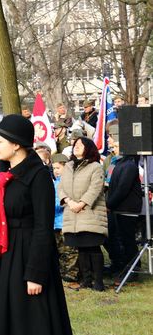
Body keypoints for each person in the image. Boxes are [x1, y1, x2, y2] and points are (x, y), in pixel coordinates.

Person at [0, 114, 72, 335]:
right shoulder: (1, 173)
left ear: (17, 144)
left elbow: (42, 228)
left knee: (29, 320)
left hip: (25, 255)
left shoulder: (38, 176)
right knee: (2, 316)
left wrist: (36, 273)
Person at [58, 136, 107, 291]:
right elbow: (61, 187)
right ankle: (86, 280)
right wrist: (68, 201)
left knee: (93, 247)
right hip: (72, 213)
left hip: (89, 212)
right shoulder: (68, 166)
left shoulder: (95, 167)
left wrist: (81, 203)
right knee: (81, 248)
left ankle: (98, 281)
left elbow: (95, 188)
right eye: (75, 144)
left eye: (80, 144)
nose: (76, 146)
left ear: (89, 148)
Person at [105, 124, 142, 284]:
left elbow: (122, 189)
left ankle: (133, 269)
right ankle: (121, 266)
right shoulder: (118, 162)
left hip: (127, 208)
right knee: (118, 238)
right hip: (118, 209)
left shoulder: (129, 165)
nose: (110, 142)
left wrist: (109, 204)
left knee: (128, 240)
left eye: (112, 139)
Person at [51, 154, 79, 287]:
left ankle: (71, 273)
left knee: (69, 249)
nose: (55, 171)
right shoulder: (55, 182)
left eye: (58, 168)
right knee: (60, 249)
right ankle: (63, 271)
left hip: (64, 221)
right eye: (54, 168)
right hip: (55, 223)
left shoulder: (67, 182)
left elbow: (60, 202)